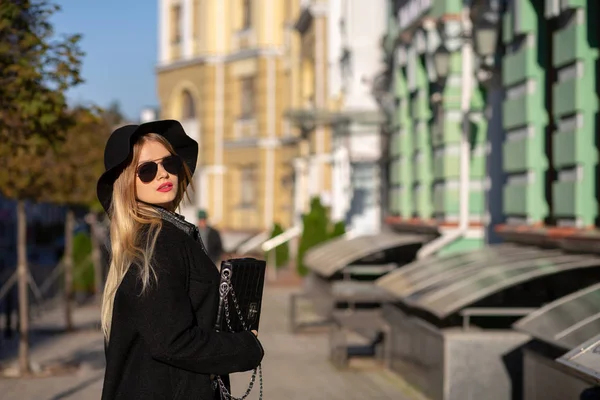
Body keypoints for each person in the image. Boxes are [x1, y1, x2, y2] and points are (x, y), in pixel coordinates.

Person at [96, 120, 263, 400]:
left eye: (169, 163)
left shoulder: (158, 236)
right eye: (147, 170)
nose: (163, 175)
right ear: (127, 182)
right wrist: (246, 347)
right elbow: (172, 341)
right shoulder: (157, 242)